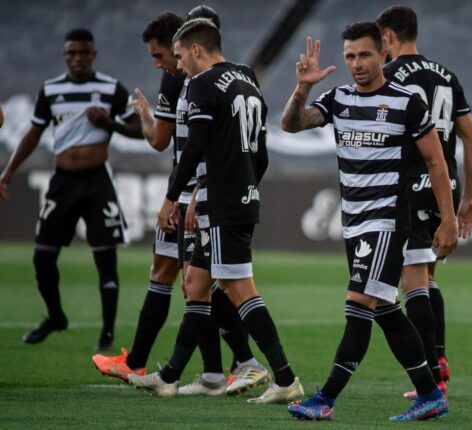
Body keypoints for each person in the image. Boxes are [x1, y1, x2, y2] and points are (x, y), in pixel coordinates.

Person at [281, 22, 457, 421]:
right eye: (349, 56)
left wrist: (446, 220)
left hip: (389, 222)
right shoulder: (338, 98)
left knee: (357, 304)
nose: (356, 64)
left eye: (364, 55)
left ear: (383, 54)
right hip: (354, 224)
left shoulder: (406, 100)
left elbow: (436, 161)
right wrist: (303, 87)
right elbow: (291, 125)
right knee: (384, 309)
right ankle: (431, 392)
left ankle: (325, 398)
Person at [93, 8, 269, 397]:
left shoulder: (191, 82)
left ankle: (245, 363)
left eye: (162, 56)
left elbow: (173, 142)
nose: (161, 65)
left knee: (200, 280)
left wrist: (184, 196)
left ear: (186, 48)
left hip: (197, 192)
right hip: (202, 190)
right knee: (191, 280)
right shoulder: (225, 77)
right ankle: (209, 371)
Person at [128, 19, 304, 404]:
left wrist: (172, 198)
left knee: (240, 291)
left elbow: (193, 148)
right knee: (195, 283)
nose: (178, 66)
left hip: (221, 200)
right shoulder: (246, 78)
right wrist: (245, 188)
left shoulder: (202, 84)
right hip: (232, 194)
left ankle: (286, 378)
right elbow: (260, 150)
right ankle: (171, 376)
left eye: (178, 56)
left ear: (196, 50)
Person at [0, 28, 141, 351]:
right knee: (42, 257)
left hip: (97, 181)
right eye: (71, 54)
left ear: (93, 55)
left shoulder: (110, 88)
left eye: (83, 53)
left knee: (105, 258)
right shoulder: (51, 90)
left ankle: (106, 332)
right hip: (63, 180)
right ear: (65, 56)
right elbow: (33, 134)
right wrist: (8, 171)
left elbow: (140, 130)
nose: (77, 59)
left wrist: (111, 124)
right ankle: (55, 316)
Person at [376, 5, 472, 399]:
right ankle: (438, 361)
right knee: (427, 275)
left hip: (407, 184)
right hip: (445, 185)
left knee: (412, 281)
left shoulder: (386, 76)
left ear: (387, 37)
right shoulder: (446, 76)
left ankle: (430, 382)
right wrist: (468, 196)